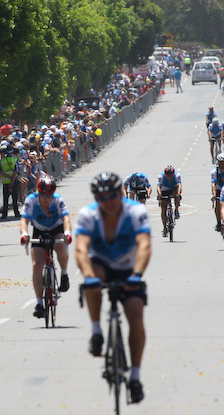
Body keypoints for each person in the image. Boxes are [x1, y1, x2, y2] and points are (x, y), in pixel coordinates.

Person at [75, 172, 151, 404]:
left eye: (112, 196)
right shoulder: (88, 215)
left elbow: (144, 246)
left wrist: (137, 275)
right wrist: (88, 277)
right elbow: (80, 249)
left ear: (121, 193)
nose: (108, 201)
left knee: (136, 316)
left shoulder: (136, 211)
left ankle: (135, 377)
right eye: (102, 197)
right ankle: (97, 331)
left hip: (129, 268)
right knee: (93, 280)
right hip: (101, 265)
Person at [19, 176, 72, 319]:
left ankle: (64, 274)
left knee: (61, 246)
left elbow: (66, 219)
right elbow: (24, 220)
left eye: (49, 195)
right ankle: (39, 303)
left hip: (56, 228)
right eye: (43, 195)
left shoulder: (58, 200)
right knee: (37, 265)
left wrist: (67, 233)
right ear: (38, 191)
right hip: (39, 230)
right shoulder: (31, 200)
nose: (46, 198)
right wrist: (24, 234)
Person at [157, 166, 182, 236]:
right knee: (163, 208)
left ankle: (176, 210)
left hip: (173, 188)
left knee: (176, 195)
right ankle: (165, 228)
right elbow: (158, 187)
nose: (169, 177)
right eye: (167, 176)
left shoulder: (177, 175)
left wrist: (179, 194)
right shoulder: (161, 176)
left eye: (170, 176)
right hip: (164, 190)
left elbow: (179, 185)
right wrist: (159, 194)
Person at [0, 144, 20, 218]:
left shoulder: (2, 161)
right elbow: (16, 171)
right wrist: (12, 180)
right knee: (15, 198)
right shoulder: (15, 160)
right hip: (14, 181)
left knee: (6, 198)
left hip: (5, 182)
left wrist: (8, 177)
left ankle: (4, 214)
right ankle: (16, 213)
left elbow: (1, 171)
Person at [211, 153, 224, 231]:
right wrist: (214, 195)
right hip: (219, 190)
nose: (222, 164)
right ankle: (219, 222)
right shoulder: (215, 171)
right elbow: (213, 184)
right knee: (218, 204)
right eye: (220, 162)